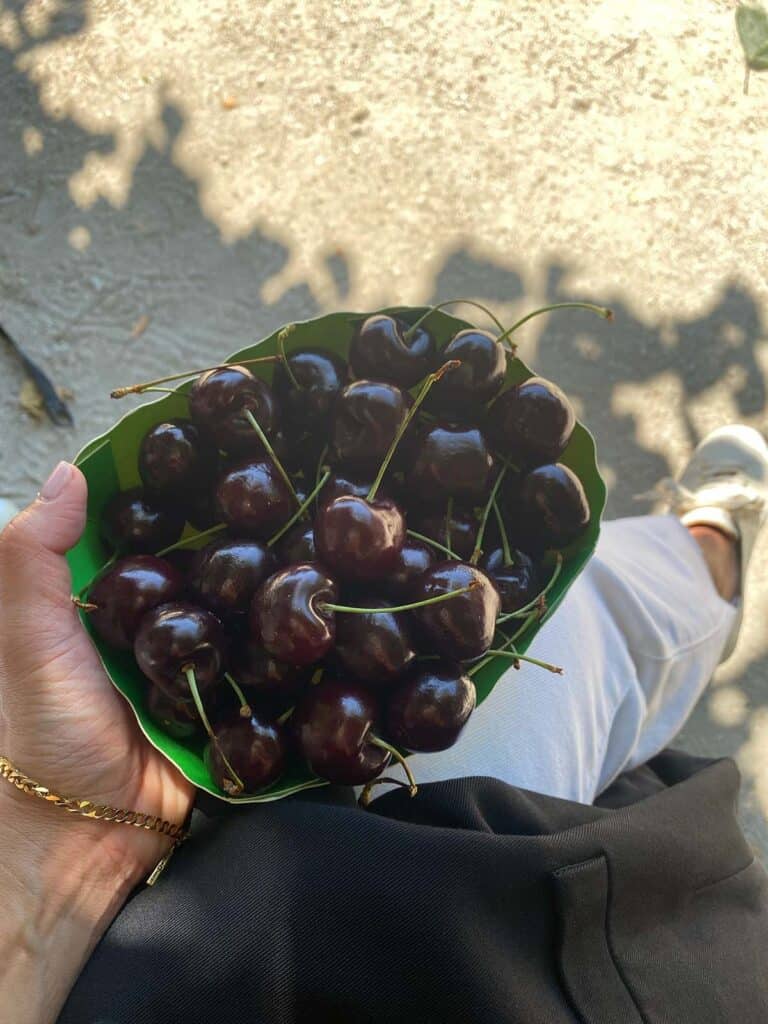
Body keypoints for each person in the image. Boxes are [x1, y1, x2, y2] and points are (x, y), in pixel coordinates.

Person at [1, 425, 767, 1024]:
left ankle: (702, 568)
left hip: (174, 931)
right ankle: (710, 560)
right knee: (593, 618)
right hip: (462, 939)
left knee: (566, 631)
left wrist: (60, 842)